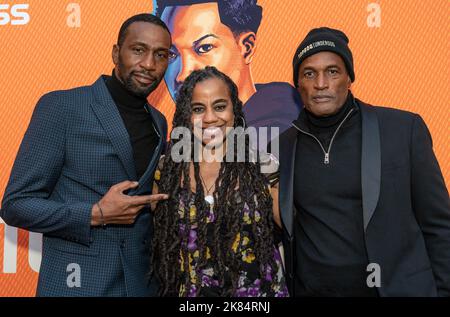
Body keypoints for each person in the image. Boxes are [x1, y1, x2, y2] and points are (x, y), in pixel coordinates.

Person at [1, 14, 171, 296]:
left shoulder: (158, 121)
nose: (149, 64)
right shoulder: (63, 107)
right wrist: (95, 214)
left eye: (161, 54)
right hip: (78, 284)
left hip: (142, 284)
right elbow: (16, 205)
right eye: (138, 50)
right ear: (116, 53)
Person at [274, 27, 450, 296]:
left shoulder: (402, 130)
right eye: (309, 73)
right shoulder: (280, 148)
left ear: (349, 78)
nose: (321, 83)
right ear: (298, 84)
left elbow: (439, 226)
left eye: (332, 71)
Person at [150, 66, 288, 297]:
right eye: (198, 109)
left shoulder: (264, 167)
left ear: (235, 110)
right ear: (186, 114)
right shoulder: (166, 172)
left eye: (220, 106)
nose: (210, 118)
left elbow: (298, 230)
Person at [152, 0, 302, 147]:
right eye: (171, 54)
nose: (182, 75)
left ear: (246, 47)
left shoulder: (281, 135)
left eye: (204, 48)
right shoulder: (176, 146)